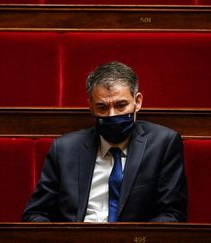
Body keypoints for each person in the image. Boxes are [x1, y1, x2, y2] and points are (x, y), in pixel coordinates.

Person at [22, 61, 187, 222]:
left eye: (121, 105)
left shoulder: (163, 144)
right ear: (91, 107)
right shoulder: (64, 149)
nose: (112, 115)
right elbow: (36, 214)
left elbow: (172, 214)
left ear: (137, 102)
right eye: (102, 107)